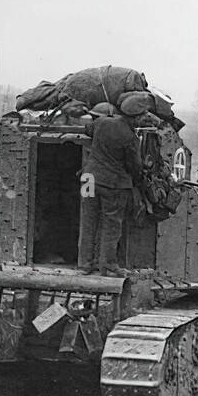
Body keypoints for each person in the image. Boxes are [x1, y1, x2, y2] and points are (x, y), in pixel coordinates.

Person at [78, 94, 149, 275]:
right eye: (141, 116)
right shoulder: (130, 138)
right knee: (111, 225)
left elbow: (88, 129)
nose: (142, 119)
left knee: (88, 220)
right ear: (135, 116)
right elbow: (135, 167)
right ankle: (108, 265)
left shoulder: (102, 123)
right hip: (113, 184)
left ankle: (85, 264)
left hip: (89, 179)